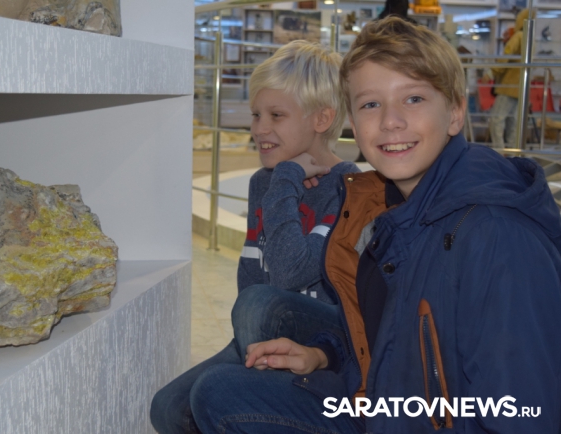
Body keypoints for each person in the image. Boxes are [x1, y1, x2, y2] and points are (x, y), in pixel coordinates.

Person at [190, 16, 561, 433]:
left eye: (413, 99)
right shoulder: (393, 208)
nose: (390, 121)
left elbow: (526, 413)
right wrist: (325, 354)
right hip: (382, 402)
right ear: (352, 120)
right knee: (217, 392)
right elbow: (389, 335)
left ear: (456, 113)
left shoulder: (496, 235)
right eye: (370, 104)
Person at [150, 40, 360, 433]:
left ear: (322, 119)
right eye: (256, 114)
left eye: (276, 115)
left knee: (259, 305)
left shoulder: (349, 187)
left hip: (326, 338)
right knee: (168, 408)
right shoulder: (263, 182)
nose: (259, 128)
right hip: (263, 331)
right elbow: (252, 275)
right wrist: (280, 181)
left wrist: (286, 179)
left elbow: (289, 274)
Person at [487, 9, 533, 148]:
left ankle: (499, 151)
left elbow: (505, 57)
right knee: (513, 123)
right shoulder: (530, 39)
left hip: (508, 86)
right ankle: (513, 153)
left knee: (496, 119)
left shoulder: (518, 37)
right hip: (521, 88)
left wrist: (491, 73)